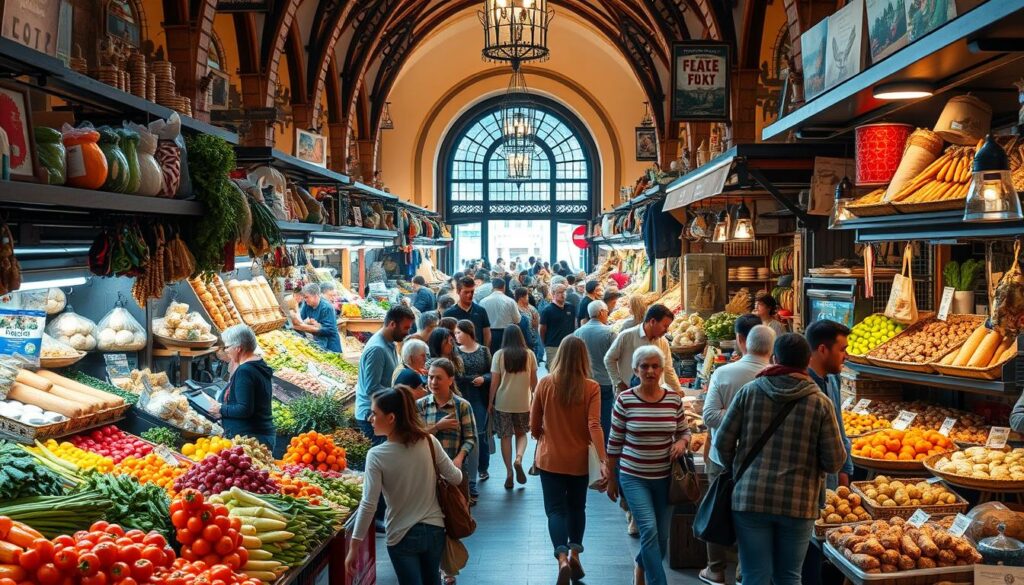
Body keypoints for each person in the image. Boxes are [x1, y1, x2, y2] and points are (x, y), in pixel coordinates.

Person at [713, 333, 847, 585]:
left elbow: (722, 442)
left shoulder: (749, 392)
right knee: (789, 576)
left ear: (774, 358)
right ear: (807, 360)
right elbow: (834, 461)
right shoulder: (820, 403)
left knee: (755, 575)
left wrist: (738, 470)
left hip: (750, 498)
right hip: (798, 503)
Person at [346, 386, 463, 585]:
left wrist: (354, 547)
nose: (370, 419)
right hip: (435, 530)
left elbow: (369, 504)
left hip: (401, 535)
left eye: (374, 414)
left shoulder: (376, 455)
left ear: (391, 418)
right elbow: (456, 478)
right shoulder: (429, 441)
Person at [605, 346, 691, 585]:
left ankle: (640, 566)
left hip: (666, 479)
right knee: (649, 531)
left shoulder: (673, 400)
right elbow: (614, 442)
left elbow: (684, 431)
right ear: (635, 369)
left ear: (662, 369)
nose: (650, 371)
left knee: (661, 538)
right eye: (644, 366)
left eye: (655, 366)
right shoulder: (625, 400)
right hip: (634, 477)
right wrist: (612, 479)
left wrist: (682, 443)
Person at [699, 319, 774, 585]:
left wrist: (734, 423)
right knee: (751, 516)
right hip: (761, 461)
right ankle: (744, 572)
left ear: (742, 342)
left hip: (722, 457)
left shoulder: (725, 373)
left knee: (717, 508)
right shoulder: (777, 378)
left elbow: (708, 415)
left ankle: (716, 569)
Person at [530, 336, 607, 585]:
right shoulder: (591, 387)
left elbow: (533, 425)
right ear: (584, 358)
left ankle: (562, 558)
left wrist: (542, 434)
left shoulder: (545, 384)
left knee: (555, 510)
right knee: (577, 508)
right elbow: (594, 425)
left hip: (550, 459)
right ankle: (575, 555)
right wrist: (603, 460)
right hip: (578, 461)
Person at [801, 320, 856, 585]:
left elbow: (841, 430)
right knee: (805, 562)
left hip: (831, 486)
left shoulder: (832, 380)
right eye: (842, 349)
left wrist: (845, 471)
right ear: (822, 349)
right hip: (806, 490)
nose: (846, 355)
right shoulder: (803, 387)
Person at [418, 358, 477, 501]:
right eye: (430, 377)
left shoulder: (462, 406)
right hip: (425, 471)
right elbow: (414, 436)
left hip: (454, 470)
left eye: (439, 378)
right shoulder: (420, 406)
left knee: (457, 515)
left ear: (450, 380)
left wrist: (459, 458)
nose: (433, 382)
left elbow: (470, 438)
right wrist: (437, 427)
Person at [355, 306, 416, 442]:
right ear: (392, 324)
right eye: (405, 328)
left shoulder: (390, 343)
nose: (407, 332)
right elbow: (372, 388)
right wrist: (402, 394)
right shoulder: (377, 349)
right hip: (372, 417)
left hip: (383, 411)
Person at [209, 324, 275, 449]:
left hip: (251, 440)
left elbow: (244, 409)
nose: (226, 351)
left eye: (227, 347)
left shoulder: (245, 371)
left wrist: (221, 409)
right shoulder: (257, 363)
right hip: (259, 436)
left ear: (238, 348)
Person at [489, 325, 538, 489]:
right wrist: (535, 400)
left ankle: (509, 472)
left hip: (503, 402)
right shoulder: (529, 354)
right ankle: (519, 458)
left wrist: (490, 402)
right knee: (521, 433)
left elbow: (494, 382)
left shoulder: (499, 355)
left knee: (505, 436)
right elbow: (534, 382)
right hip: (523, 402)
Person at [604, 304, 682, 395]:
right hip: (628, 395)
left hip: (654, 396)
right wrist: (618, 382)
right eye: (665, 326)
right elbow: (609, 359)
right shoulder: (626, 336)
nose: (666, 330)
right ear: (652, 321)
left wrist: (678, 390)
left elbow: (668, 369)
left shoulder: (663, 342)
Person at [455, 320, 492, 502]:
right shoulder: (455, 352)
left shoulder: (484, 350)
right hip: (462, 397)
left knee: (479, 434)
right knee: (465, 435)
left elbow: (492, 373)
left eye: (459, 333)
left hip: (479, 398)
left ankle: (482, 466)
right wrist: (473, 378)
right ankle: (469, 476)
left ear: (468, 333)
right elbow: (456, 376)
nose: (456, 336)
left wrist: (484, 379)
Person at [574, 300, 616, 440]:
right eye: (606, 312)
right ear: (601, 313)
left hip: (585, 381)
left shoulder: (578, 333)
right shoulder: (610, 332)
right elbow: (615, 357)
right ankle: (603, 449)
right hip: (605, 381)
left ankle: (588, 444)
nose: (608, 314)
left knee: (586, 416)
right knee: (604, 418)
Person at [292, 283, 342, 352]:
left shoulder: (327, 307)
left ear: (315, 296)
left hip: (331, 345)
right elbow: (299, 318)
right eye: (304, 297)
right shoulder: (307, 305)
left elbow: (329, 330)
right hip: (319, 342)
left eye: (306, 297)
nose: (305, 300)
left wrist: (303, 327)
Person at [445, 276, 492, 349]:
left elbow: (487, 333)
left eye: (472, 292)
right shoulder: (449, 314)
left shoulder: (481, 311)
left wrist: (485, 350)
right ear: (458, 291)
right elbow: (445, 337)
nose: (470, 295)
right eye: (466, 292)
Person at [479, 278, 520, 354]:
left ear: (492, 287)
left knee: (491, 356)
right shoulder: (510, 301)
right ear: (504, 287)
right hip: (507, 333)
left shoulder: (483, 301)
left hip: (489, 333)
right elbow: (517, 319)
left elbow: (480, 321)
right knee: (506, 357)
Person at [540, 283, 577, 366]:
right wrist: (545, 344)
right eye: (559, 292)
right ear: (553, 294)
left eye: (564, 292)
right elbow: (542, 329)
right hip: (553, 346)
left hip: (569, 345)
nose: (563, 294)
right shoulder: (547, 310)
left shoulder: (570, 307)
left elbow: (574, 324)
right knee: (554, 371)